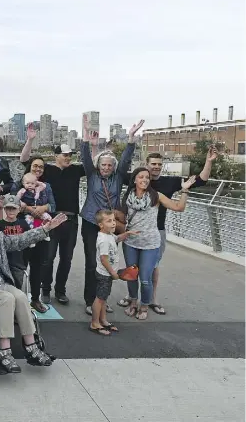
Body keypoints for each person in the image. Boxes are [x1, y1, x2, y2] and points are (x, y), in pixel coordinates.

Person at [0, 211, 67, 373]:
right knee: (7, 299)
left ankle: (31, 346)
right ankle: (4, 353)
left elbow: (20, 240)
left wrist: (45, 229)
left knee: (21, 296)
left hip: (0, 283)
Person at [118, 149, 216, 314]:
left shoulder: (166, 185)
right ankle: (132, 298)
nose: (156, 167)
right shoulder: (130, 191)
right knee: (132, 270)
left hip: (156, 233)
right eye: (153, 165)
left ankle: (150, 301)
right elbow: (117, 173)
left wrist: (209, 162)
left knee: (150, 270)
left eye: (159, 165)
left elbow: (200, 180)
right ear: (144, 167)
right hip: (132, 237)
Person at [20, 124, 93, 304]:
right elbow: (26, 161)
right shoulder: (48, 171)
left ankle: (60, 290)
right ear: (56, 156)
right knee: (49, 257)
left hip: (72, 218)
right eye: (64, 155)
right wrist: (30, 140)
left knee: (66, 258)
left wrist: (89, 143)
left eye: (70, 155)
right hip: (52, 219)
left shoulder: (76, 170)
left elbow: (91, 166)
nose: (68, 158)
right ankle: (46, 289)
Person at [79, 119, 143, 315]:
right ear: (99, 165)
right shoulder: (92, 175)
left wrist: (131, 138)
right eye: (103, 164)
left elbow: (125, 160)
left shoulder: (118, 177)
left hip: (110, 226)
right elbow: (85, 159)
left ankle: (102, 300)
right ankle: (90, 301)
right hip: (91, 222)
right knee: (92, 263)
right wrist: (87, 138)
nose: (106, 167)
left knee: (107, 263)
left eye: (109, 165)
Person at [120, 167, 197, 320]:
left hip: (150, 244)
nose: (144, 180)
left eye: (147, 177)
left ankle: (144, 305)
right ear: (134, 179)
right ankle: (134, 302)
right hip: (130, 243)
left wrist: (185, 190)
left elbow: (179, 207)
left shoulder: (156, 196)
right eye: (141, 177)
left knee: (145, 278)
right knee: (132, 274)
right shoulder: (127, 196)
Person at [90, 210, 138, 336]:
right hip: (105, 274)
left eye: (113, 220)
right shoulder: (104, 240)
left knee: (104, 298)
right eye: (109, 221)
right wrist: (113, 273)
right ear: (101, 225)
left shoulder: (109, 235)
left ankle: (103, 320)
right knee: (100, 299)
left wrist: (126, 233)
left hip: (107, 274)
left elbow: (117, 239)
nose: (113, 224)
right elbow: (103, 259)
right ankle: (95, 323)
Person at [0, 194, 31, 289]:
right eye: (8, 208)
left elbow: (28, 240)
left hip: (19, 262)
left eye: (13, 208)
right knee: (4, 287)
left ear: (19, 209)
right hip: (3, 263)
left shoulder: (23, 223)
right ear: (5, 209)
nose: (11, 211)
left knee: (17, 286)